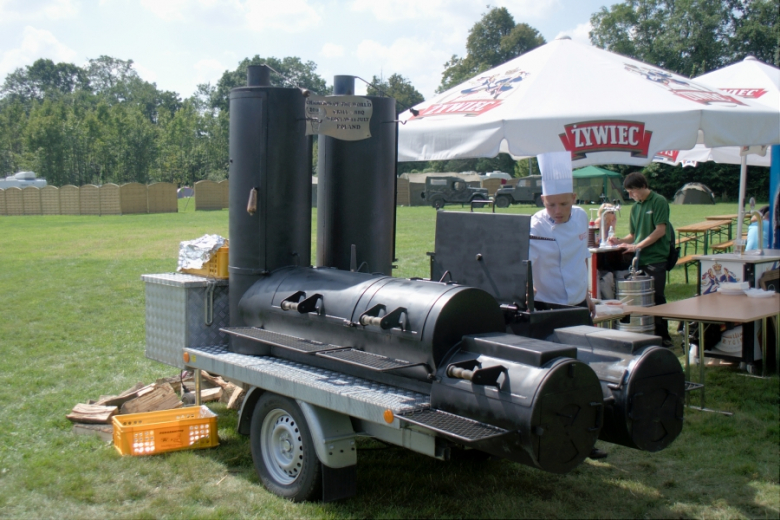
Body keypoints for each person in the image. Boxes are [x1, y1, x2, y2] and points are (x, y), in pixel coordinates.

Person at [607, 172, 673, 347]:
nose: (630, 195)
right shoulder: (635, 208)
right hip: (639, 258)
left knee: (657, 297)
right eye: (628, 192)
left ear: (643, 186)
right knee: (638, 298)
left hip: (656, 257)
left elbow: (660, 230)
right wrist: (620, 241)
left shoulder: (659, 201)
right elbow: (634, 235)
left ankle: (663, 335)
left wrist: (637, 246)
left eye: (632, 191)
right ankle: (643, 331)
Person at [529, 151, 595, 319]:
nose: (558, 211)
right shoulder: (536, 226)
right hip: (549, 304)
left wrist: (586, 295)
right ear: (543, 200)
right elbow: (524, 264)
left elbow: (582, 257)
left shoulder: (581, 216)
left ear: (573, 198)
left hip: (579, 300)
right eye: (551, 205)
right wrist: (526, 287)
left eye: (564, 204)